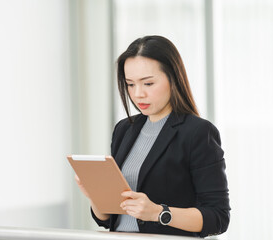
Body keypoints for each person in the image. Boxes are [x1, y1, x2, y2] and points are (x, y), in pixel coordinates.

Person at [75, 35, 230, 238]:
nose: (138, 94)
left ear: (173, 78)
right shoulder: (124, 129)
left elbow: (218, 217)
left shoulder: (198, 132)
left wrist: (158, 212)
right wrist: (96, 196)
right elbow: (106, 219)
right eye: (130, 84)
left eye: (148, 84)